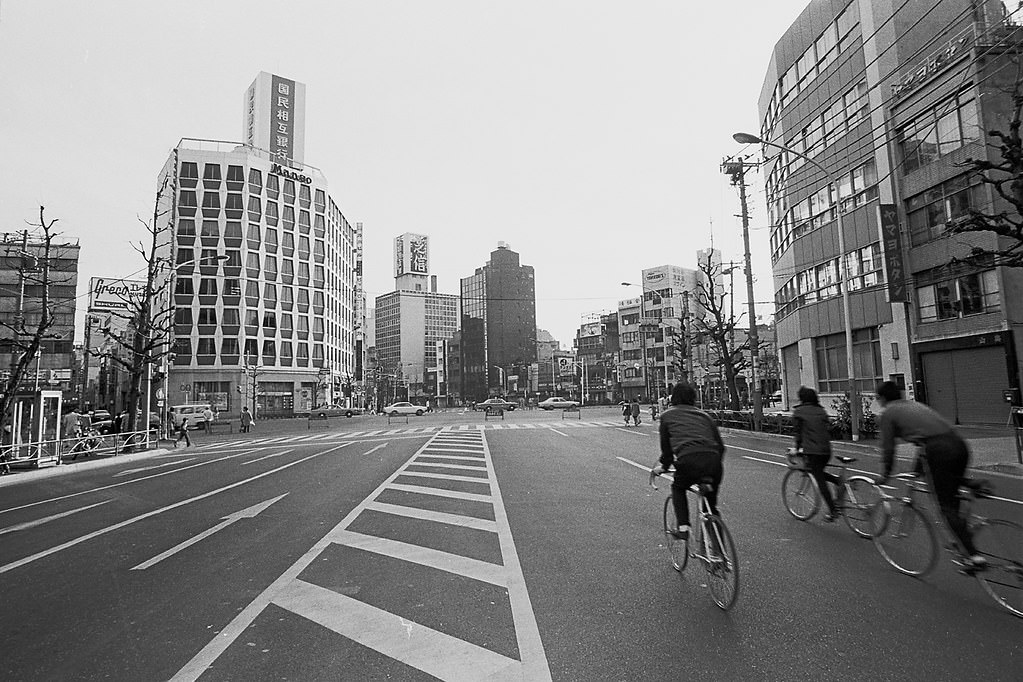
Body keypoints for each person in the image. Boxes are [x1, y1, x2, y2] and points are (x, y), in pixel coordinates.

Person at [875, 381, 984, 567]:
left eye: (877, 398)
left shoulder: (888, 413)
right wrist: (916, 471)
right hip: (958, 444)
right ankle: (971, 489)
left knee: (946, 507)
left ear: (883, 398)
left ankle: (973, 557)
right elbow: (926, 439)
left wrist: (885, 474)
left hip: (938, 451)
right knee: (949, 487)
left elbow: (888, 448)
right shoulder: (913, 405)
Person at [652, 382, 725, 541]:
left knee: (678, 487)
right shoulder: (705, 416)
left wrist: (664, 466)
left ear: (673, 398)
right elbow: (720, 446)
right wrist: (711, 467)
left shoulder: (667, 416)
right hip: (714, 464)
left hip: (688, 461)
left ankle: (683, 527)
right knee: (711, 507)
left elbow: (667, 450)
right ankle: (719, 555)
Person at [791, 386, 841, 520]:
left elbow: (798, 434)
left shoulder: (799, 412)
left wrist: (797, 448)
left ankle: (832, 510)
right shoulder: (821, 411)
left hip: (813, 450)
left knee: (818, 479)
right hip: (826, 449)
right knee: (817, 471)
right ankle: (838, 481)